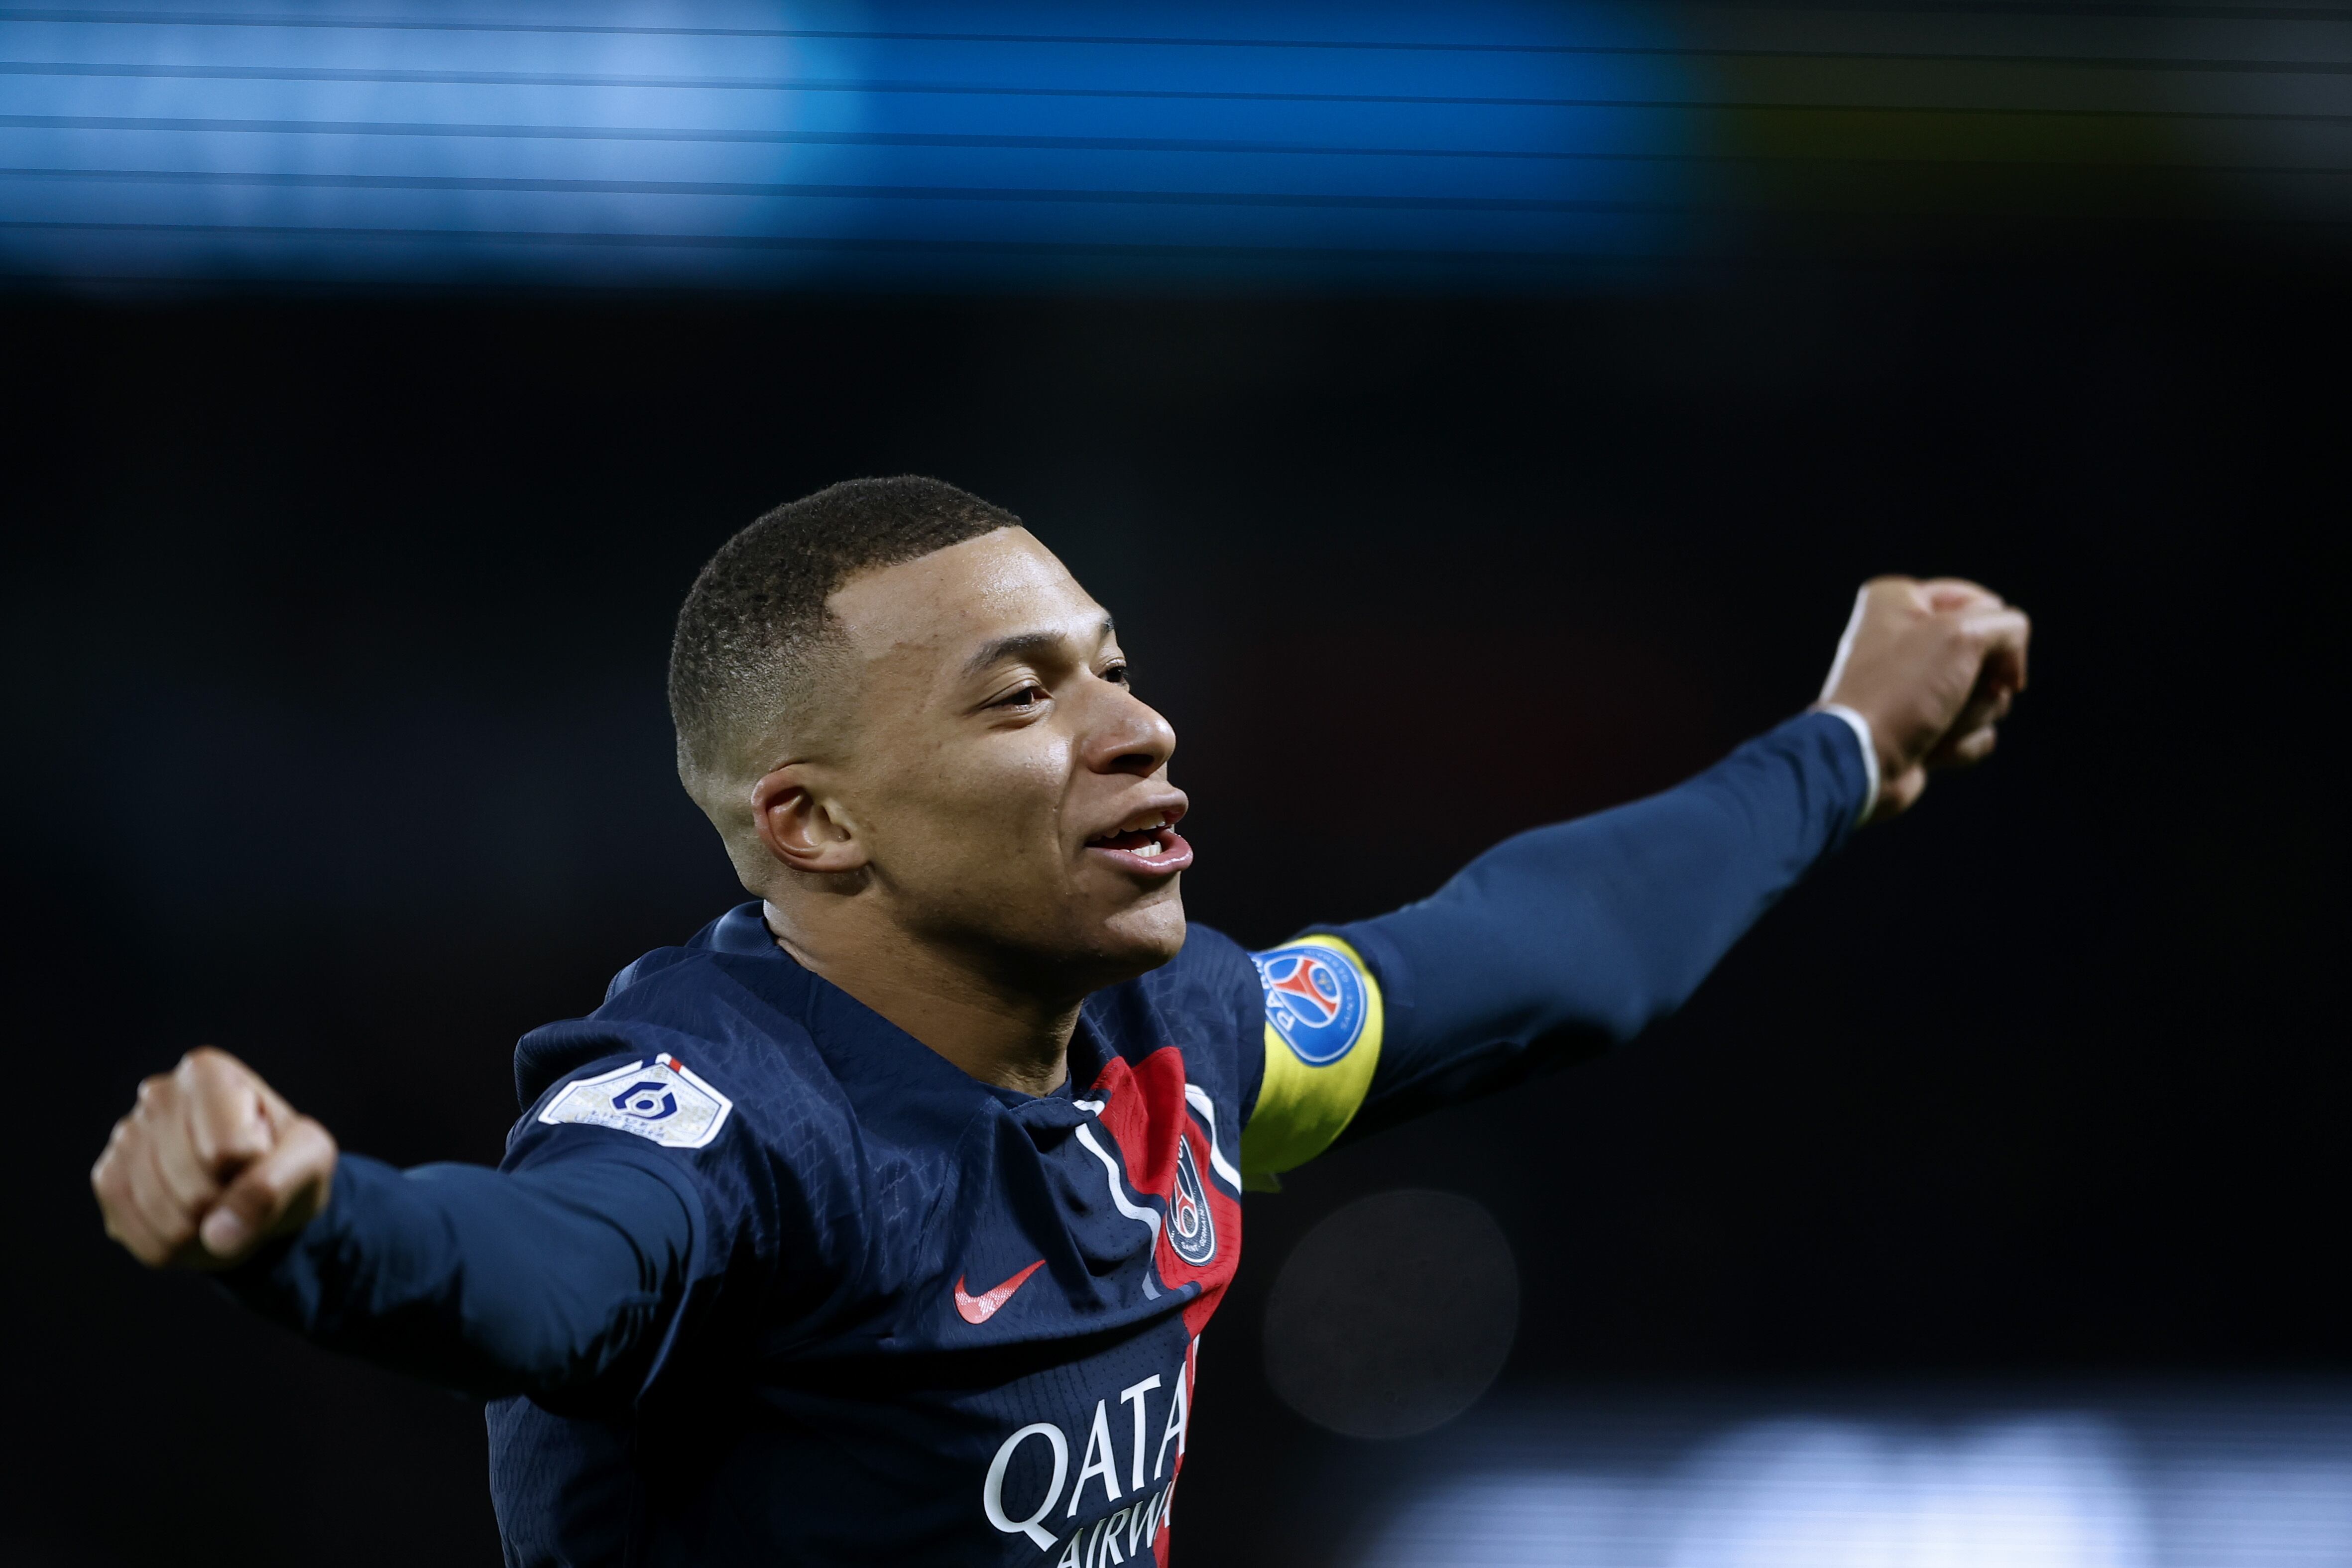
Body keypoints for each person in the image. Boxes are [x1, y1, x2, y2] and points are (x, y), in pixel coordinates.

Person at [91, 476, 2028, 1567]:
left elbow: (1539, 949)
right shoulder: (732, 1122)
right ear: (815, 821)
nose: (1137, 725)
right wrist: (314, 1217)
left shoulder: (1170, 1045)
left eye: (1115, 666)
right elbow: (538, 1270)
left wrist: (1842, 744)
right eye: (1024, 696)